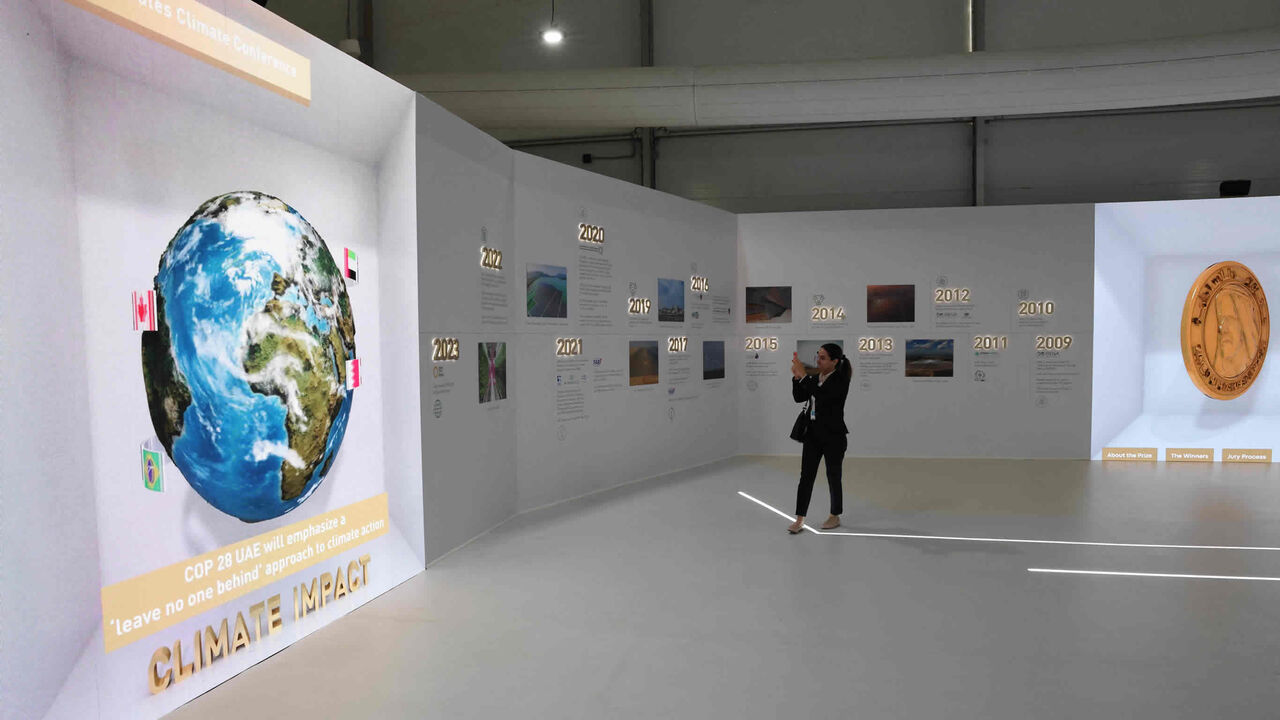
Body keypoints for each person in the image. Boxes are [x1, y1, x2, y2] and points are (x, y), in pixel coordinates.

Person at [787, 343, 851, 534]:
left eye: (823, 357)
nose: (818, 360)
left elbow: (823, 396)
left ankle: (835, 514)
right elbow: (799, 397)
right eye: (818, 356)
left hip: (834, 436)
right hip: (813, 435)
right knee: (806, 477)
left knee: (833, 476)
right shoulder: (815, 378)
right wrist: (796, 378)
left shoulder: (840, 380)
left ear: (834, 361)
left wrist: (804, 376)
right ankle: (799, 518)